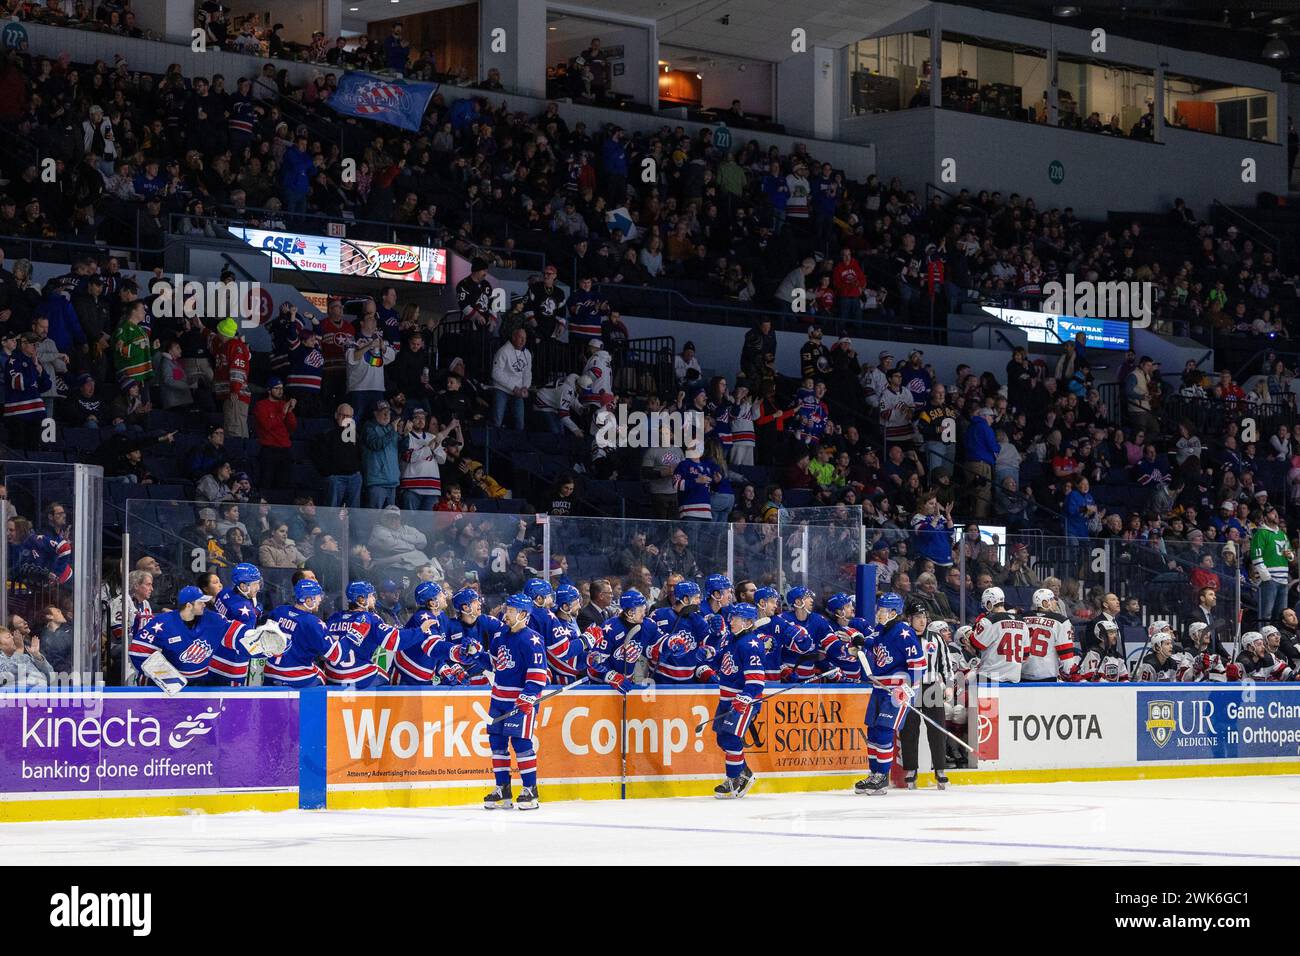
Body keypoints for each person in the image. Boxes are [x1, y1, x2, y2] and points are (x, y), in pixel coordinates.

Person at [846, 591, 924, 795]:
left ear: (893, 612)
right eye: (878, 609)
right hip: (879, 689)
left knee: (883, 732)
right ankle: (874, 774)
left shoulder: (904, 632)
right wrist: (857, 642)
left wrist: (907, 690)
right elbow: (869, 642)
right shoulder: (881, 630)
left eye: (882, 610)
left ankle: (882, 776)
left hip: (896, 692)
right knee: (872, 731)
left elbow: (918, 665)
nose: (879, 613)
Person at [483, 593, 550, 811]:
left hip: (520, 702)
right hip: (498, 699)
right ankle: (503, 789)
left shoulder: (533, 640)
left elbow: (539, 674)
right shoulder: (500, 635)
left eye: (511, 611)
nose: (506, 614)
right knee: (497, 743)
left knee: (521, 744)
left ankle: (530, 790)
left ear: (523, 614)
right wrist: (474, 654)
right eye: (507, 609)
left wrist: (528, 696)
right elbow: (494, 662)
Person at [322, 581, 435, 687]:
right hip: (358, 676)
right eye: (371, 595)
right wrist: (420, 630)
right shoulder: (369, 618)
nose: (374, 598)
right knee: (385, 677)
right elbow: (394, 641)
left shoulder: (334, 618)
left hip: (332, 675)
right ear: (361, 600)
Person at [709, 601, 766, 798]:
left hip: (743, 702)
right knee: (722, 738)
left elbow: (757, 681)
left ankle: (734, 779)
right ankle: (744, 773)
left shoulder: (752, 644)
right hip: (726, 699)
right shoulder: (731, 640)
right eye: (731, 617)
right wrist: (707, 654)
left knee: (732, 739)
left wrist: (745, 697)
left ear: (748, 622)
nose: (730, 621)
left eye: (735, 618)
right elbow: (718, 661)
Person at [900, 613, 955, 790]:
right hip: (910, 688)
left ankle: (940, 770)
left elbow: (945, 664)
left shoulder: (936, 638)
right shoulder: (903, 636)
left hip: (931, 687)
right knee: (909, 730)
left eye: (924, 617)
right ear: (910, 619)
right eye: (917, 617)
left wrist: (949, 685)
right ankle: (910, 770)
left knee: (937, 729)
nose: (922, 621)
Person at [262, 578, 343, 687]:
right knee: (321, 676)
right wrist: (352, 636)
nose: (320, 600)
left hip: (270, 673)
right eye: (317, 596)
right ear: (308, 601)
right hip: (296, 677)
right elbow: (335, 655)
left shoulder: (279, 611)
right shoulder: (313, 622)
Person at [207, 562, 264, 685]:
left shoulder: (223, 593)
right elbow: (246, 644)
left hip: (212, 656)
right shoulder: (248, 614)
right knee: (233, 702)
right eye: (255, 584)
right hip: (232, 665)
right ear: (243, 586)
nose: (258, 588)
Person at [963, 586, 1028, 683]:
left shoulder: (988, 621)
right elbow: (1025, 654)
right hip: (1014, 677)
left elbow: (976, 644)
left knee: (969, 689)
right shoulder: (1022, 622)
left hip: (990, 676)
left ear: (989, 602)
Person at [1018, 588, 1079, 682]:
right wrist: (1069, 672)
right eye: (1052, 599)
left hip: (1022, 672)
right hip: (1046, 674)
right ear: (1045, 603)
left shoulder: (1022, 618)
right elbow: (1066, 653)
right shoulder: (1061, 621)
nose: (1055, 602)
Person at [1250, 504, 1292, 625]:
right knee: (1266, 614)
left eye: (1276, 512)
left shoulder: (1282, 534)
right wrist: (1266, 577)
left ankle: (1279, 640)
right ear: (1264, 517)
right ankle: (1263, 641)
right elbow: (1256, 556)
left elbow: (1290, 555)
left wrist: (1290, 555)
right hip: (1270, 579)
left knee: (1281, 614)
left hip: (1283, 579)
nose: (1276, 515)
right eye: (1271, 513)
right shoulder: (1261, 533)